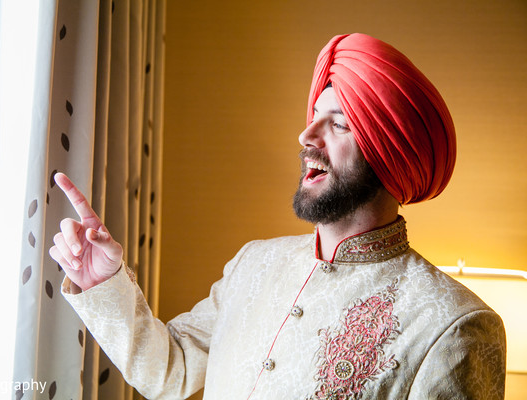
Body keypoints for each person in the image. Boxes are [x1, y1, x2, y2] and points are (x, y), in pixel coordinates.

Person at [49, 33, 506, 399]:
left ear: (390, 153)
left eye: (340, 123)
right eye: (314, 115)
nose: (307, 134)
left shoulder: (455, 324)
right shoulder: (254, 263)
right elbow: (170, 371)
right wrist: (103, 283)